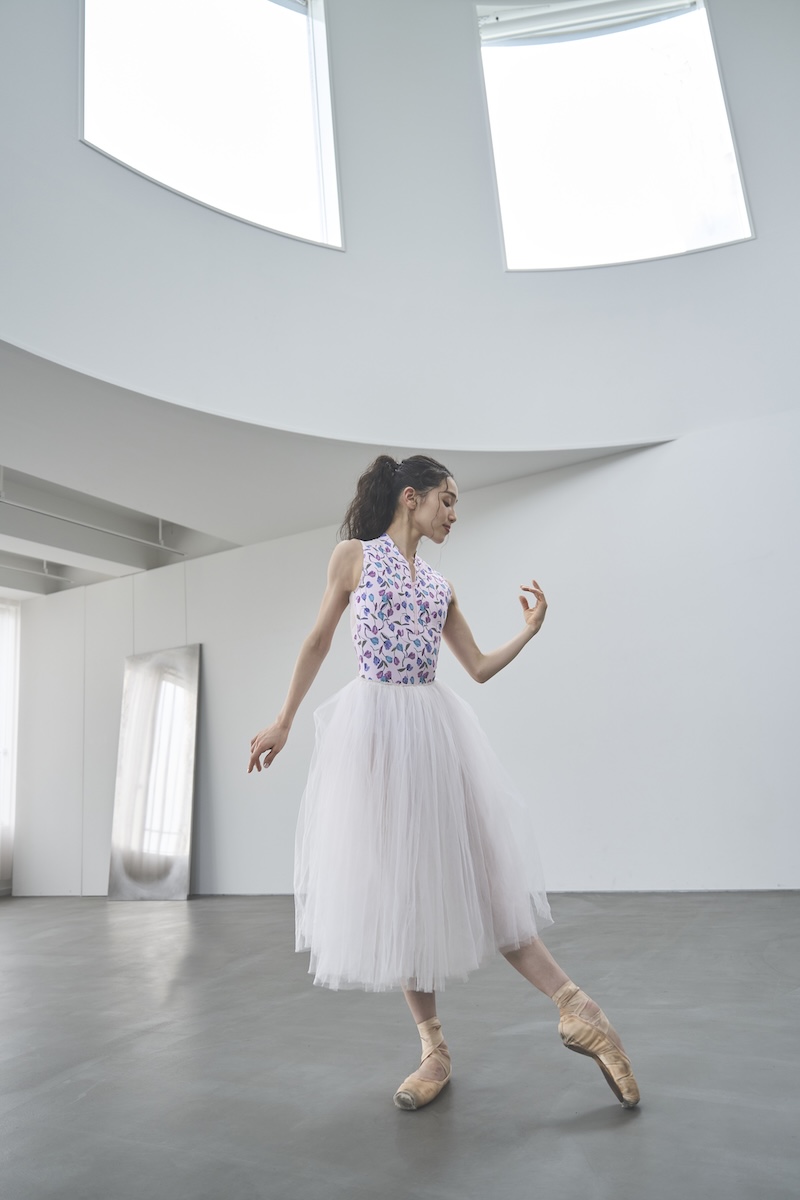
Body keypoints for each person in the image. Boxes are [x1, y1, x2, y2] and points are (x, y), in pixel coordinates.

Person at [248, 455, 639, 1112]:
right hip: (375, 736)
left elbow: (477, 667)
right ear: (412, 497)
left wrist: (528, 632)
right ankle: (434, 1050)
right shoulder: (353, 558)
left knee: (485, 876)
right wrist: (284, 720)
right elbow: (317, 641)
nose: (454, 514)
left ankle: (579, 1008)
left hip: (434, 736)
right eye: (447, 500)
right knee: (404, 891)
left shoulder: (439, 585)